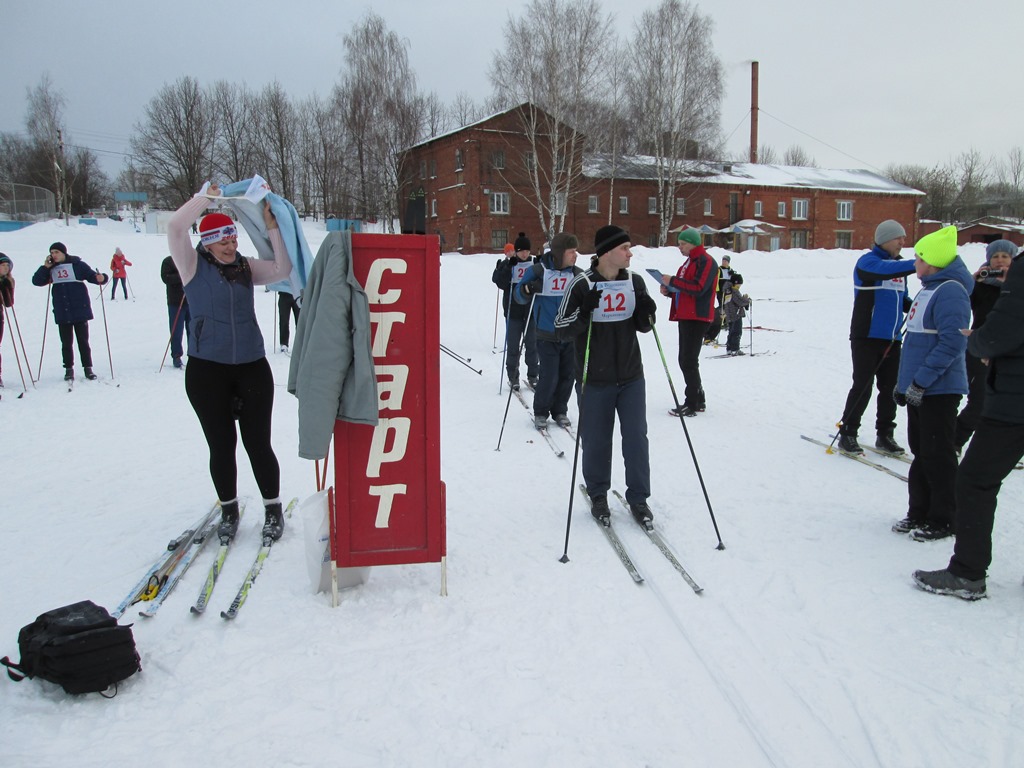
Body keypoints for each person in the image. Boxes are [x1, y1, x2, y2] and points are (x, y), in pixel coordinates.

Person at [167, 184, 292, 543]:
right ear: (206, 242)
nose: (230, 245)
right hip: (208, 371)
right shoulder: (191, 266)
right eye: (222, 240)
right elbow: (176, 227)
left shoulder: (245, 268)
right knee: (221, 445)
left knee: (258, 443)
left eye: (232, 238)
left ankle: (273, 509)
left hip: (251, 366)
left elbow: (282, 267)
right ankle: (229, 510)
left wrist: (271, 225)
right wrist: (208, 197)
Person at [913, 238, 1024, 600]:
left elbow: (999, 332)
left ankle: (967, 573)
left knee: (974, 480)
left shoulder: (953, 289)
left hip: (1013, 402)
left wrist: (978, 343)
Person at [555, 225, 658, 525]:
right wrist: (584, 312)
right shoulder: (582, 284)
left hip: (630, 376)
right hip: (594, 378)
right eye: (625, 248)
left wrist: (647, 313)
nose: (630, 253)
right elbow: (561, 327)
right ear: (607, 252)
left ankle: (639, 498)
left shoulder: (634, 282)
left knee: (636, 438)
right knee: (597, 440)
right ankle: (598, 494)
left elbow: (644, 325)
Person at [892, 226, 972, 542]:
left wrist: (921, 382)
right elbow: (914, 344)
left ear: (934, 262)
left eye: (920, 259)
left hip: (938, 389)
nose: (915, 264)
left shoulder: (951, 291)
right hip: (919, 389)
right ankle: (919, 511)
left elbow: (952, 344)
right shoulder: (929, 287)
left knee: (938, 455)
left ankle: (944, 517)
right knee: (921, 452)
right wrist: (904, 384)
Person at [836, 220, 917, 455]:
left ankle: (885, 434)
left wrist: (918, 307)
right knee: (863, 385)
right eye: (897, 238)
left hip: (892, 338)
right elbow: (883, 270)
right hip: (866, 336)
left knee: (890, 387)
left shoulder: (900, 268)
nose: (902, 242)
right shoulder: (868, 263)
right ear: (883, 239)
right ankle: (848, 433)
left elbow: (902, 300)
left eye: (903, 238)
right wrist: (919, 264)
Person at [953, 240, 1016, 451]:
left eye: (1005, 257)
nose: (999, 260)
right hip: (979, 347)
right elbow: (962, 300)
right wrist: (973, 280)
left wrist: (1011, 281)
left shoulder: (1018, 285)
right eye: (995, 256)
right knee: (979, 401)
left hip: (1009, 350)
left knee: (1005, 404)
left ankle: (997, 449)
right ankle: (954, 441)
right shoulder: (981, 284)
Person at [515, 232, 581, 428]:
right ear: (559, 253)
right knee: (550, 374)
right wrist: (528, 289)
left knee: (567, 375)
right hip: (546, 332)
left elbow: (589, 291)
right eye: (571, 252)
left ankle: (560, 410)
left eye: (576, 252)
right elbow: (518, 295)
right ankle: (541, 411)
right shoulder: (539, 270)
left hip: (569, 333)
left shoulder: (576, 273)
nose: (575, 255)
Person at [660, 227, 718, 416]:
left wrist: (674, 281)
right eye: (679, 244)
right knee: (685, 359)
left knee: (688, 360)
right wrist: (669, 290)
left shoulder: (706, 261)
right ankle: (698, 397)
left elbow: (699, 288)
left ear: (693, 243)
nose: (680, 247)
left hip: (698, 316)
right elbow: (685, 289)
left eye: (683, 244)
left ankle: (692, 402)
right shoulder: (689, 262)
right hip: (686, 315)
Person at [31, 242, 107, 382]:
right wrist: (45, 267)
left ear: (64, 253)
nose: (54, 255)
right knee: (66, 343)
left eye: (57, 252)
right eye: (52, 253)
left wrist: (101, 278)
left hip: (80, 309)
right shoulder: (51, 268)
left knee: (83, 341)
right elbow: (37, 281)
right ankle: (68, 369)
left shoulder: (78, 265)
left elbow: (92, 277)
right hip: (62, 311)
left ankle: (88, 368)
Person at [492, 233, 538, 390]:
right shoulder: (510, 263)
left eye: (527, 251)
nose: (524, 254)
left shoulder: (533, 263)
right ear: (516, 251)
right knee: (513, 346)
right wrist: (506, 268)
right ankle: (513, 376)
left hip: (531, 311)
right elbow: (499, 282)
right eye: (521, 251)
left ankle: (533, 375)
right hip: (513, 312)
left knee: (532, 345)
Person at [160, 255, 191, 369]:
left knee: (193, 330)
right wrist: (181, 276)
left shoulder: (190, 260)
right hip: (175, 302)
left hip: (191, 301)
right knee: (176, 331)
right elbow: (166, 278)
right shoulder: (168, 261)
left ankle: (193, 355)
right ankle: (176, 356)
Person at [704, 253, 731, 345]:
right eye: (723, 260)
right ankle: (721, 321)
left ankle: (725, 321)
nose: (724, 262)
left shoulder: (730, 270)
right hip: (719, 290)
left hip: (727, 290)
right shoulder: (719, 269)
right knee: (721, 306)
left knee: (726, 305)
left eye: (726, 261)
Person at [723, 272, 751, 355]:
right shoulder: (734, 291)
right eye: (739, 284)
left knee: (731, 332)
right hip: (735, 314)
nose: (739, 286)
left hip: (730, 314)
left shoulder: (728, 289)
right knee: (737, 332)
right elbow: (740, 301)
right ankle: (735, 349)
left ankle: (729, 348)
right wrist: (747, 300)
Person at [0, 253, 13, 388]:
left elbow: (9, 303)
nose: (6, 268)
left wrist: (8, 287)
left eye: (7, 266)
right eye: (2, 266)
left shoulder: (6, 280)